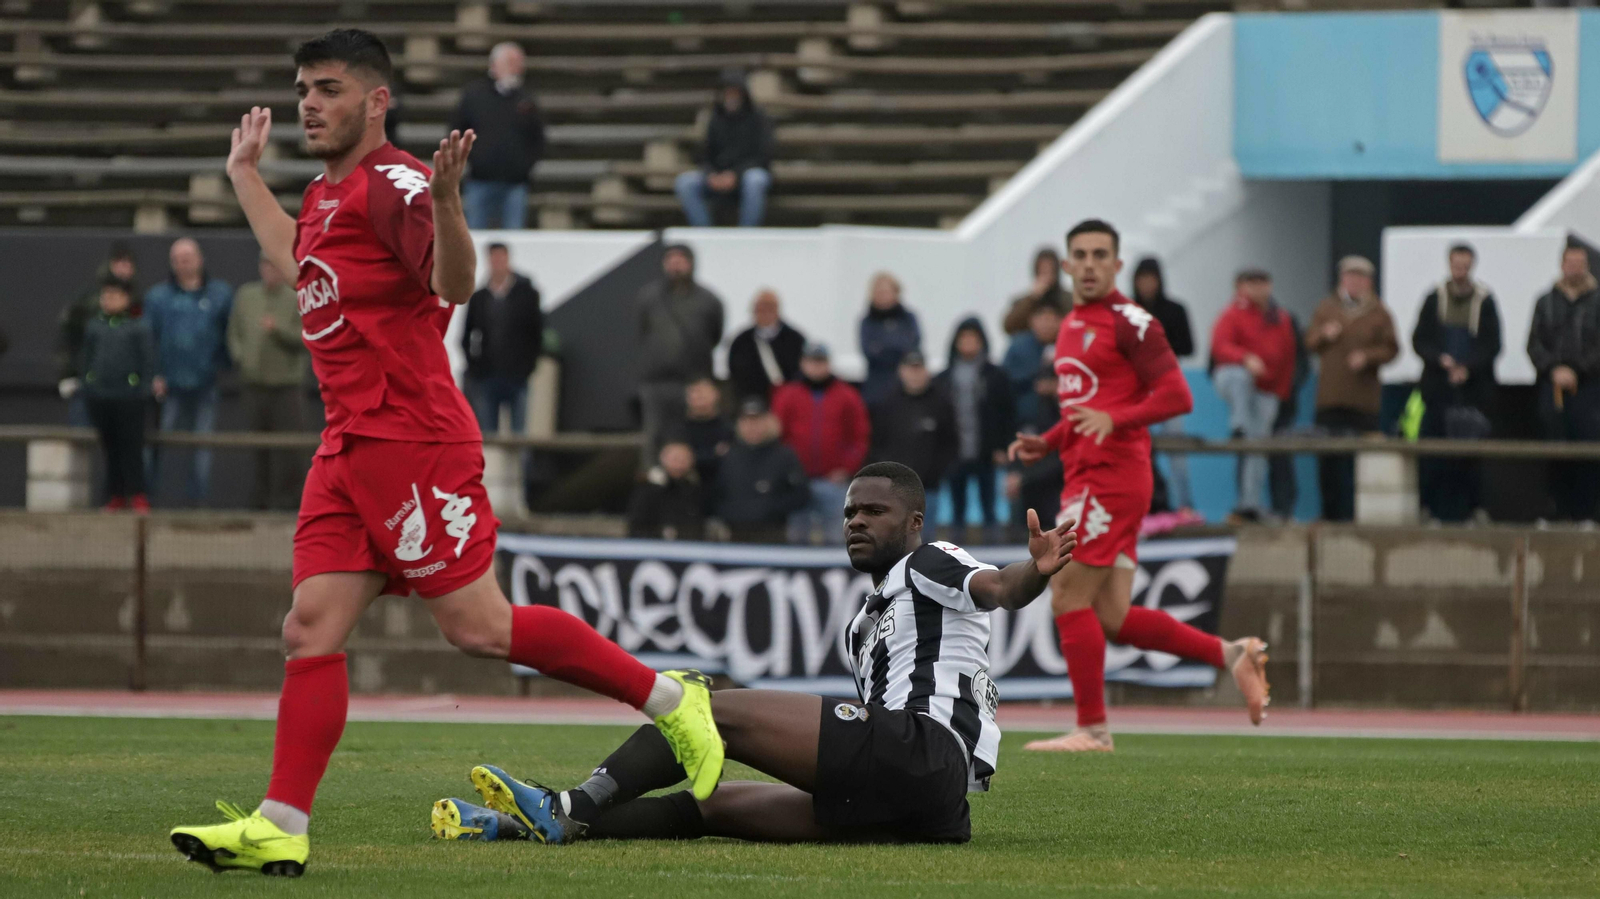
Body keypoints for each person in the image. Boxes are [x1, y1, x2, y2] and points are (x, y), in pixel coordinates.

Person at [169, 29, 724, 878]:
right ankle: (282, 822)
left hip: (411, 439)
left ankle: (672, 698)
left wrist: (449, 202)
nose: (308, 104)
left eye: (326, 88)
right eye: (302, 88)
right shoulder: (323, 192)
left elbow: (454, 285)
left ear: (376, 101)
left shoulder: (396, 184)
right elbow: (296, 259)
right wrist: (244, 174)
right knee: (309, 627)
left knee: (479, 628)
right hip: (348, 444)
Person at [429, 462, 1079, 847]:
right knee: (710, 805)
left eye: (874, 511)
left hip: (923, 752)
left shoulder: (930, 560)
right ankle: (525, 826)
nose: (855, 521)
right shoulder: (866, 619)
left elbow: (1001, 587)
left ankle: (567, 805)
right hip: (927, 807)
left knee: (701, 705)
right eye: (850, 511)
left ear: (914, 522)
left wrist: (1036, 571)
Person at [1008, 219, 1269, 753]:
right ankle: (1233, 654)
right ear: (1067, 264)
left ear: (1117, 264)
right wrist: (1050, 441)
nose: (1089, 264)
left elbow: (1177, 396)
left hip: (1111, 480)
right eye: (1080, 255)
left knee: (1066, 589)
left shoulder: (1132, 322)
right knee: (1114, 617)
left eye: (1100, 254)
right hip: (1087, 474)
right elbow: (1084, 408)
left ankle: (1092, 728)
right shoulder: (1071, 323)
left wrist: (1117, 420)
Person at [1305, 256, 1399, 522]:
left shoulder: (1379, 313)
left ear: (1368, 282)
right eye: (1350, 276)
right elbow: (1309, 343)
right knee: (1329, 461)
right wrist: (1324, 334)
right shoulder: (1326, 308)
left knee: (1360, 462)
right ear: (1342, 279)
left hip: (1363, 402)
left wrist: (1368, 357)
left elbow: (1392, 349)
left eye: (1360, 277)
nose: (1355, 282)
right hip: (1330, 399)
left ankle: (1357, 516)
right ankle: (1330, 515)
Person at [1413, 243, 1501, 523]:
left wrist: (1468, 367)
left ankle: (1474, 510)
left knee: (1471, 454)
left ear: (1472, 266)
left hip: (1474, 392)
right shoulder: (1433, 298)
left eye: (1465, 265)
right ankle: (1431, 510)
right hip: (1437, 389)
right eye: (1456, 265)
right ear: (1449, 265)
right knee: (1434, 452)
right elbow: (1419, 340)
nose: (1460, 270)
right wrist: (1441, 360)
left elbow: (1493, 344)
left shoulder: (1485, 301)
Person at [144, 237, 233, 505]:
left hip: (206, 383)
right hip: (168, 386)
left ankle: (198, 504)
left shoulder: (220, 294)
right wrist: (155, 374)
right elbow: (148, 340)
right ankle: (152, 500)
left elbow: (229, 336)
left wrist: (221, 367)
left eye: (188, 258)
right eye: (178, 260)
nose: (183, 264)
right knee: (160, 443)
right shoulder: (157, 297)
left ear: (200, 259)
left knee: (203, 446)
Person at [1210, 269, 1297, 520]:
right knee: (1239, 377)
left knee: (1257, 449)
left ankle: (1250, 503)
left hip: (1267, 391)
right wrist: (1245, 358)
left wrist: (1281, 392)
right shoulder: (1232, 313)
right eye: (1252, 283)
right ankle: (1238, 424)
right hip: (1234, 382)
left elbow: (1289, 356)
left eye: (1262, 283)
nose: (1258, 289)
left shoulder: (1281, 317)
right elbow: (1220, 347)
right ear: (1243, 287)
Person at [228, 254, 308, 510]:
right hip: (253, 385)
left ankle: (287, 503)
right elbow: (234, 332)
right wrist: (240, 356)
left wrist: (278, 330)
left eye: (274, 265)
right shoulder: (246, 295)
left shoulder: (297, 297)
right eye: (265, 265)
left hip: (286, 386)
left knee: (288, 450)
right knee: (256, 447)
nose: (270, 271)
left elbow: (307, 337)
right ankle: (259, 503)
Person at [1527, 242, 1600, 522]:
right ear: (1561, 265)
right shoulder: (1545, 301)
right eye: (1570, 263)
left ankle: (1586, 514)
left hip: (1589, 389)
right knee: (1554, 448)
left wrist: (1577, 370)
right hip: (1552, 387)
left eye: (1580, 264)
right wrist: (1553, 369)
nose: (1574, 269)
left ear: (1587, 266)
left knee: (1587, 451)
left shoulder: (1597, 300)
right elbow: (1534, 344)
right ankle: (1556, 512)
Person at [771, 342, 871, 544]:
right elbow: (777, 435)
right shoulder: (787, 394)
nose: (816, 367)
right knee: (796, 539)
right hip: (797, 483)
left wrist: (846, 468)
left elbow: (860, 437)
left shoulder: (847, 395)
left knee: (837, 538)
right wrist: (787, 471)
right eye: (811, 362)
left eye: (820, 362)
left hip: (833, 482)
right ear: (803, 363)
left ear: (828, 364)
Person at [637, 244, 725, 461]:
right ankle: (653, 475)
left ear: (691, 263)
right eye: (670, 260)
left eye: (680, 260)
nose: (675, 265)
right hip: (657, 381)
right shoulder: (649, 297)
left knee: (693, 434)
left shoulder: (709, 300)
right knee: (654, 433)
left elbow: (715, 334)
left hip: (693, 380)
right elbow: (642, 330)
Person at [449, 42, 545, 229]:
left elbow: (538, 138)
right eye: (511, 62)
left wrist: (524, 167)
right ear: (494, 64)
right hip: (479, 180)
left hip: (515, 183)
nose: (517, 68)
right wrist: (473, 161)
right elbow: (456, 131)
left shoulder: (527, 99)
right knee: (474, 234)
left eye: (519, 63)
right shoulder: (474, 95)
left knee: (514, 237)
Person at [934, 317, 1014, 540]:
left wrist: (1002, 447)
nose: (968, 343)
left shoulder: (996, 376)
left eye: (973, 339)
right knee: (956, 511)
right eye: (964, 339)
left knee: (990, 507)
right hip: (954, 452)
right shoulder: (944, 378)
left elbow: (1007, 414)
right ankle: (955, 554)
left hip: (986, 452)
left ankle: (994, 554)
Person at [80, 277, 155, 513]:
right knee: (110, 449)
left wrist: (141, 389)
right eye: (105, 296)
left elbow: (148, 361)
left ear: (126, 298)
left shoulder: (138, 327)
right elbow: (86, 359)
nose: (108, 300)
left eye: (114, 296)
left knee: (132, 448)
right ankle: (116, 495)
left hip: (129, 398)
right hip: (101, 397)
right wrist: (89, 384)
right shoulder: (95, 327)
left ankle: (138, 495)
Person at [1132, 257, 1195, 513]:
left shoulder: (1175, 310)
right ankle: (1142, 505)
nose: (1147, 284)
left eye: (1151, 279)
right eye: (1142, 279)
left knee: (1176, 447)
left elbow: (1188, 346)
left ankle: (1185, 505)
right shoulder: (1126, 311)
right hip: (1135, 386)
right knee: (1136, 447)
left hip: (1168, 382)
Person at [461, 242, 543, 435]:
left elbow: (536, 332)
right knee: (488, 435)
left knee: (519, 434)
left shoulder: (527, 295)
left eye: (501, 258)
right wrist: (475, 366)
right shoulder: (480, 298)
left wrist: (528, 365)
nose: (497, 262)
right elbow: (467, 335)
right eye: (494, 258)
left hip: (517, 376)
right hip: (487, 376)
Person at [675, 69, 773, 228]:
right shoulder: (715, 119)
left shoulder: (758, 118)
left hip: (746, 175)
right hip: (717, 177)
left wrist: (736, 175)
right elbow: (704, 155)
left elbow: (763, 156)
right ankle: (704, 233)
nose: (730, 97)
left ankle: (748, 234)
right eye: (727, 93)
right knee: (685, 182)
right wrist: (711, 175)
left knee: (755, 180)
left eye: (734, 92)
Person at [59, 242, 140, 427]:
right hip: (87, 383)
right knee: (83, 434)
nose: (123, 268)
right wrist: (67, 374)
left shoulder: (139, 304)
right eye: (119, 262)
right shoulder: (86, 302)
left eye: (128, 263)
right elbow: (68, 338)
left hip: (125, 389)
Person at [713, 398, 810, 543]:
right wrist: (733, 512)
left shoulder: (784, 456)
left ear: (768, 423)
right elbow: (715, 494)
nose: (752, 427)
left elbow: (801, 494)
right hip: (734, 535)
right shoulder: (728, 456)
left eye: (757, 422)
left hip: (773, 534)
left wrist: (769, 508)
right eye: (746, 422)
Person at [868, 351, 956, 500]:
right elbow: (876, 443)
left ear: (926, 371)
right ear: (901, 372)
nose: (915, 375)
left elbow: (951, 443)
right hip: (893, 488)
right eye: (910, 370)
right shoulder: (887, 404)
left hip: (928, 487)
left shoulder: (941, 403)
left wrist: (938, 473)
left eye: (918, 369)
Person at [1007, 362, 1065, 533]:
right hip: (1031, 488)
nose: (1043, 386)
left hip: (1056, 487)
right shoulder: (1028, 410)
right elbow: (1017, 443)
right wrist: (1014, 472)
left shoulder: (1064, 414)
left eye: (1049, 381)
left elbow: (1060, 457)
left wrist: (1024, 477)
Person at [726, 289, 804, 403]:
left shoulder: (795, 340)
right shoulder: (741, 342)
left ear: (777, 310)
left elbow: (802, 373)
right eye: (760, 308)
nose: (765, 312)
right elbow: (734, 373)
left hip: (788, 402)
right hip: (751, 403)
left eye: (770, 308)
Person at [858, 272, 921, 406]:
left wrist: (883, 347)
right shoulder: (867, 322)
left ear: (896, 293)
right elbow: (869, 352)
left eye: (886, 292)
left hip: (905, 389)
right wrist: (896, 345)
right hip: (876, 391)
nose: (882, 296)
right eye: (879, 292)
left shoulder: (908, 319)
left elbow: (912, 347)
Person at [626, 442, 706, 541]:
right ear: (663, 458)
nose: (679, 464)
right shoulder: (646, 488)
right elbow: (636, 525)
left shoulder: (694, 490)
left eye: (684, 459)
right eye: (675, 459)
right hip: (651, 544)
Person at [1003, 302, 1061, 427]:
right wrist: (1034, 384)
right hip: (1025, 423)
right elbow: (1004, 383)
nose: (1047, 325)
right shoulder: (1018, 347)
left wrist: (1058, 387)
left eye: (1051, 319)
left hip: (1060, 422)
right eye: (1043, 319)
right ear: (1032, 321)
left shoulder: (1069, 345)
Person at [682, 376, 733, 498]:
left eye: (703, 391)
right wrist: (714, 454)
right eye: (694, 392)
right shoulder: (678, 428)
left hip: (724, 487)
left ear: (716, 394)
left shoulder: (729, 427)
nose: (699, 396)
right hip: (688, 490)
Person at [1002, 247, 1067, 335]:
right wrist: (1032, 298)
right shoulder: (1026, 301)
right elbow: (1008, 325)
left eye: (1050, 269)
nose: (1046, 274)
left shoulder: (1067, 298)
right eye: (1042, 269)